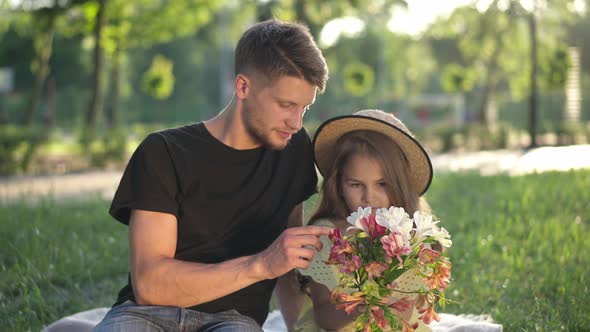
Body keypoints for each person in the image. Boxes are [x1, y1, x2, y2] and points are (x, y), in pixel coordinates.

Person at [93, 19, 333, 332]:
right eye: (286, 105)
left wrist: (297, 327)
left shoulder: (295, 151)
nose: (297, 122)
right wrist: (260, 265)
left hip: (234, 321)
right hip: (144, 314)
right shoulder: (164, 153)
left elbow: (288, 264)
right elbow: (150, 285)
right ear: (243, 87)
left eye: (304, 107)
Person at [291, 109, 435, 332]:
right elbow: (324, 316)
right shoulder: (326, 239)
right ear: (338, 184)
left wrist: (388, 298)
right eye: (356, 185)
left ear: (400, 183)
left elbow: (407, 314)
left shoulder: (413, 240)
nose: (369, 197)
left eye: (382, 184)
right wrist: (364, 304)